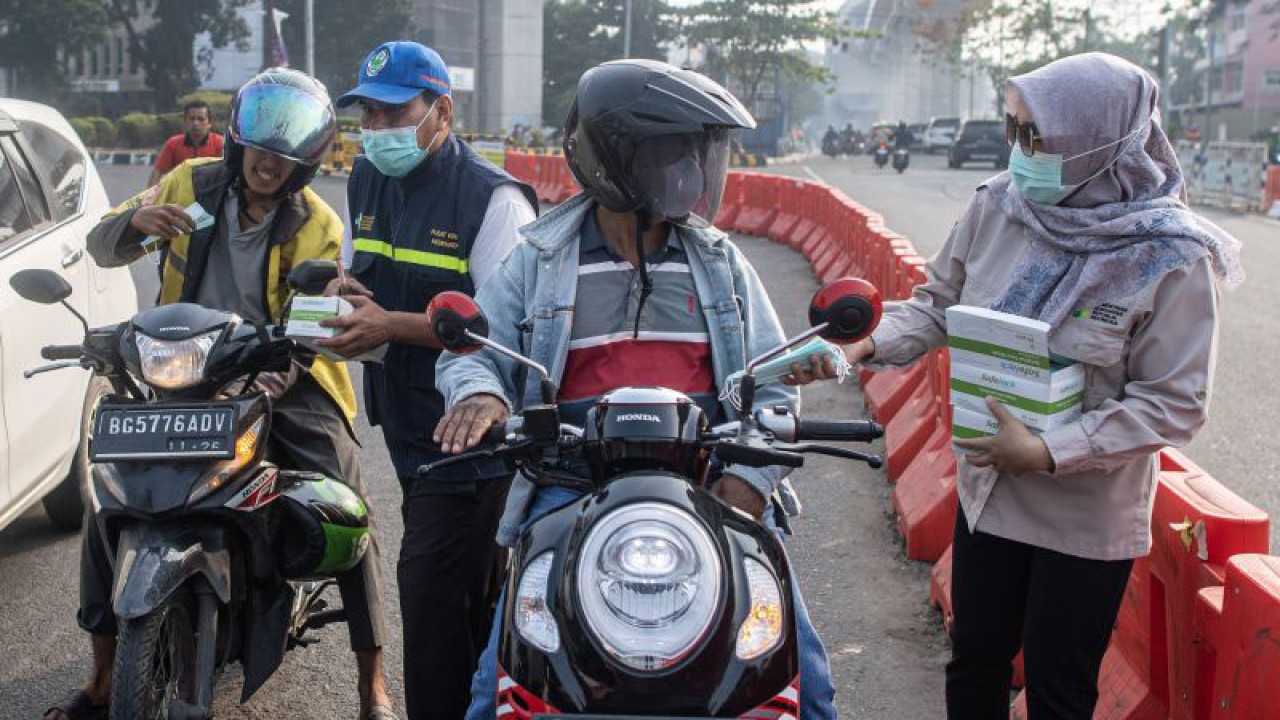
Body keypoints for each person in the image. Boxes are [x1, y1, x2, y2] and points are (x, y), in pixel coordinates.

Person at [433, 59, 838, 720]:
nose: (695, 173)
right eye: (673, 154)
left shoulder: (718, 261)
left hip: (709, 486)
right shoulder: (538, 259)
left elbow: (771, 383)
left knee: (800, 678)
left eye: (699, 155)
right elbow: (473, 350)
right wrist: (482, 395)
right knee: (502, 683)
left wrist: (749, 481)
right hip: (569, 487)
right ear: (614, 160)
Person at [841, 53, 1242, 719]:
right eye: (1014, 130)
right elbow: (936, 307)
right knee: (974, 662)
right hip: (991, 491)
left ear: (1099, 140)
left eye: (1037, 136)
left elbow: (1174, 402)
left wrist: (1053, 449)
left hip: (1085, 516)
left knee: (1059, 691)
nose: (1020, 153)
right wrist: (864, 344)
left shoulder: (1169, 257)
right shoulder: (1000, 207)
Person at [47, 68, 396, 720]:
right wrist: (133, 225)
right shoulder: (191, 186)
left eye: (284, 157)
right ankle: (99, 680)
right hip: (180, 370)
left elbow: (310, 334)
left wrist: (253, 387)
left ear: (305, 165)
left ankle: (371, 683)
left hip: (281, 375)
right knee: (107, 500)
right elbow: (104, 244)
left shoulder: (314, 224)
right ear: (236, 142)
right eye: (259, 149)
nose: (267, 165)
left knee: (347, 503)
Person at [318, 41, 538, 720]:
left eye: (394, 114)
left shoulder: (493, 200)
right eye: (368, 116)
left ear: (441, 110)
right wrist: (343, 296)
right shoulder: (367, 179)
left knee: (432, 600)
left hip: (473, 434)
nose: (377, 131)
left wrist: (389, 327)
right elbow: (365, 271)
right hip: (407, 422)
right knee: (467, 604)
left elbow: (502, 331)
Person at [149, 99, 225, 186]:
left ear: (209, 123)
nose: (195, 123)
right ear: (185, 121)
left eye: (201, 119)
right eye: (192, 119)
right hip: (180, 195)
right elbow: (157, 172)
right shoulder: (172, 144)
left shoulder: (220, 143)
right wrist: (151, 197)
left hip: (212, 194)